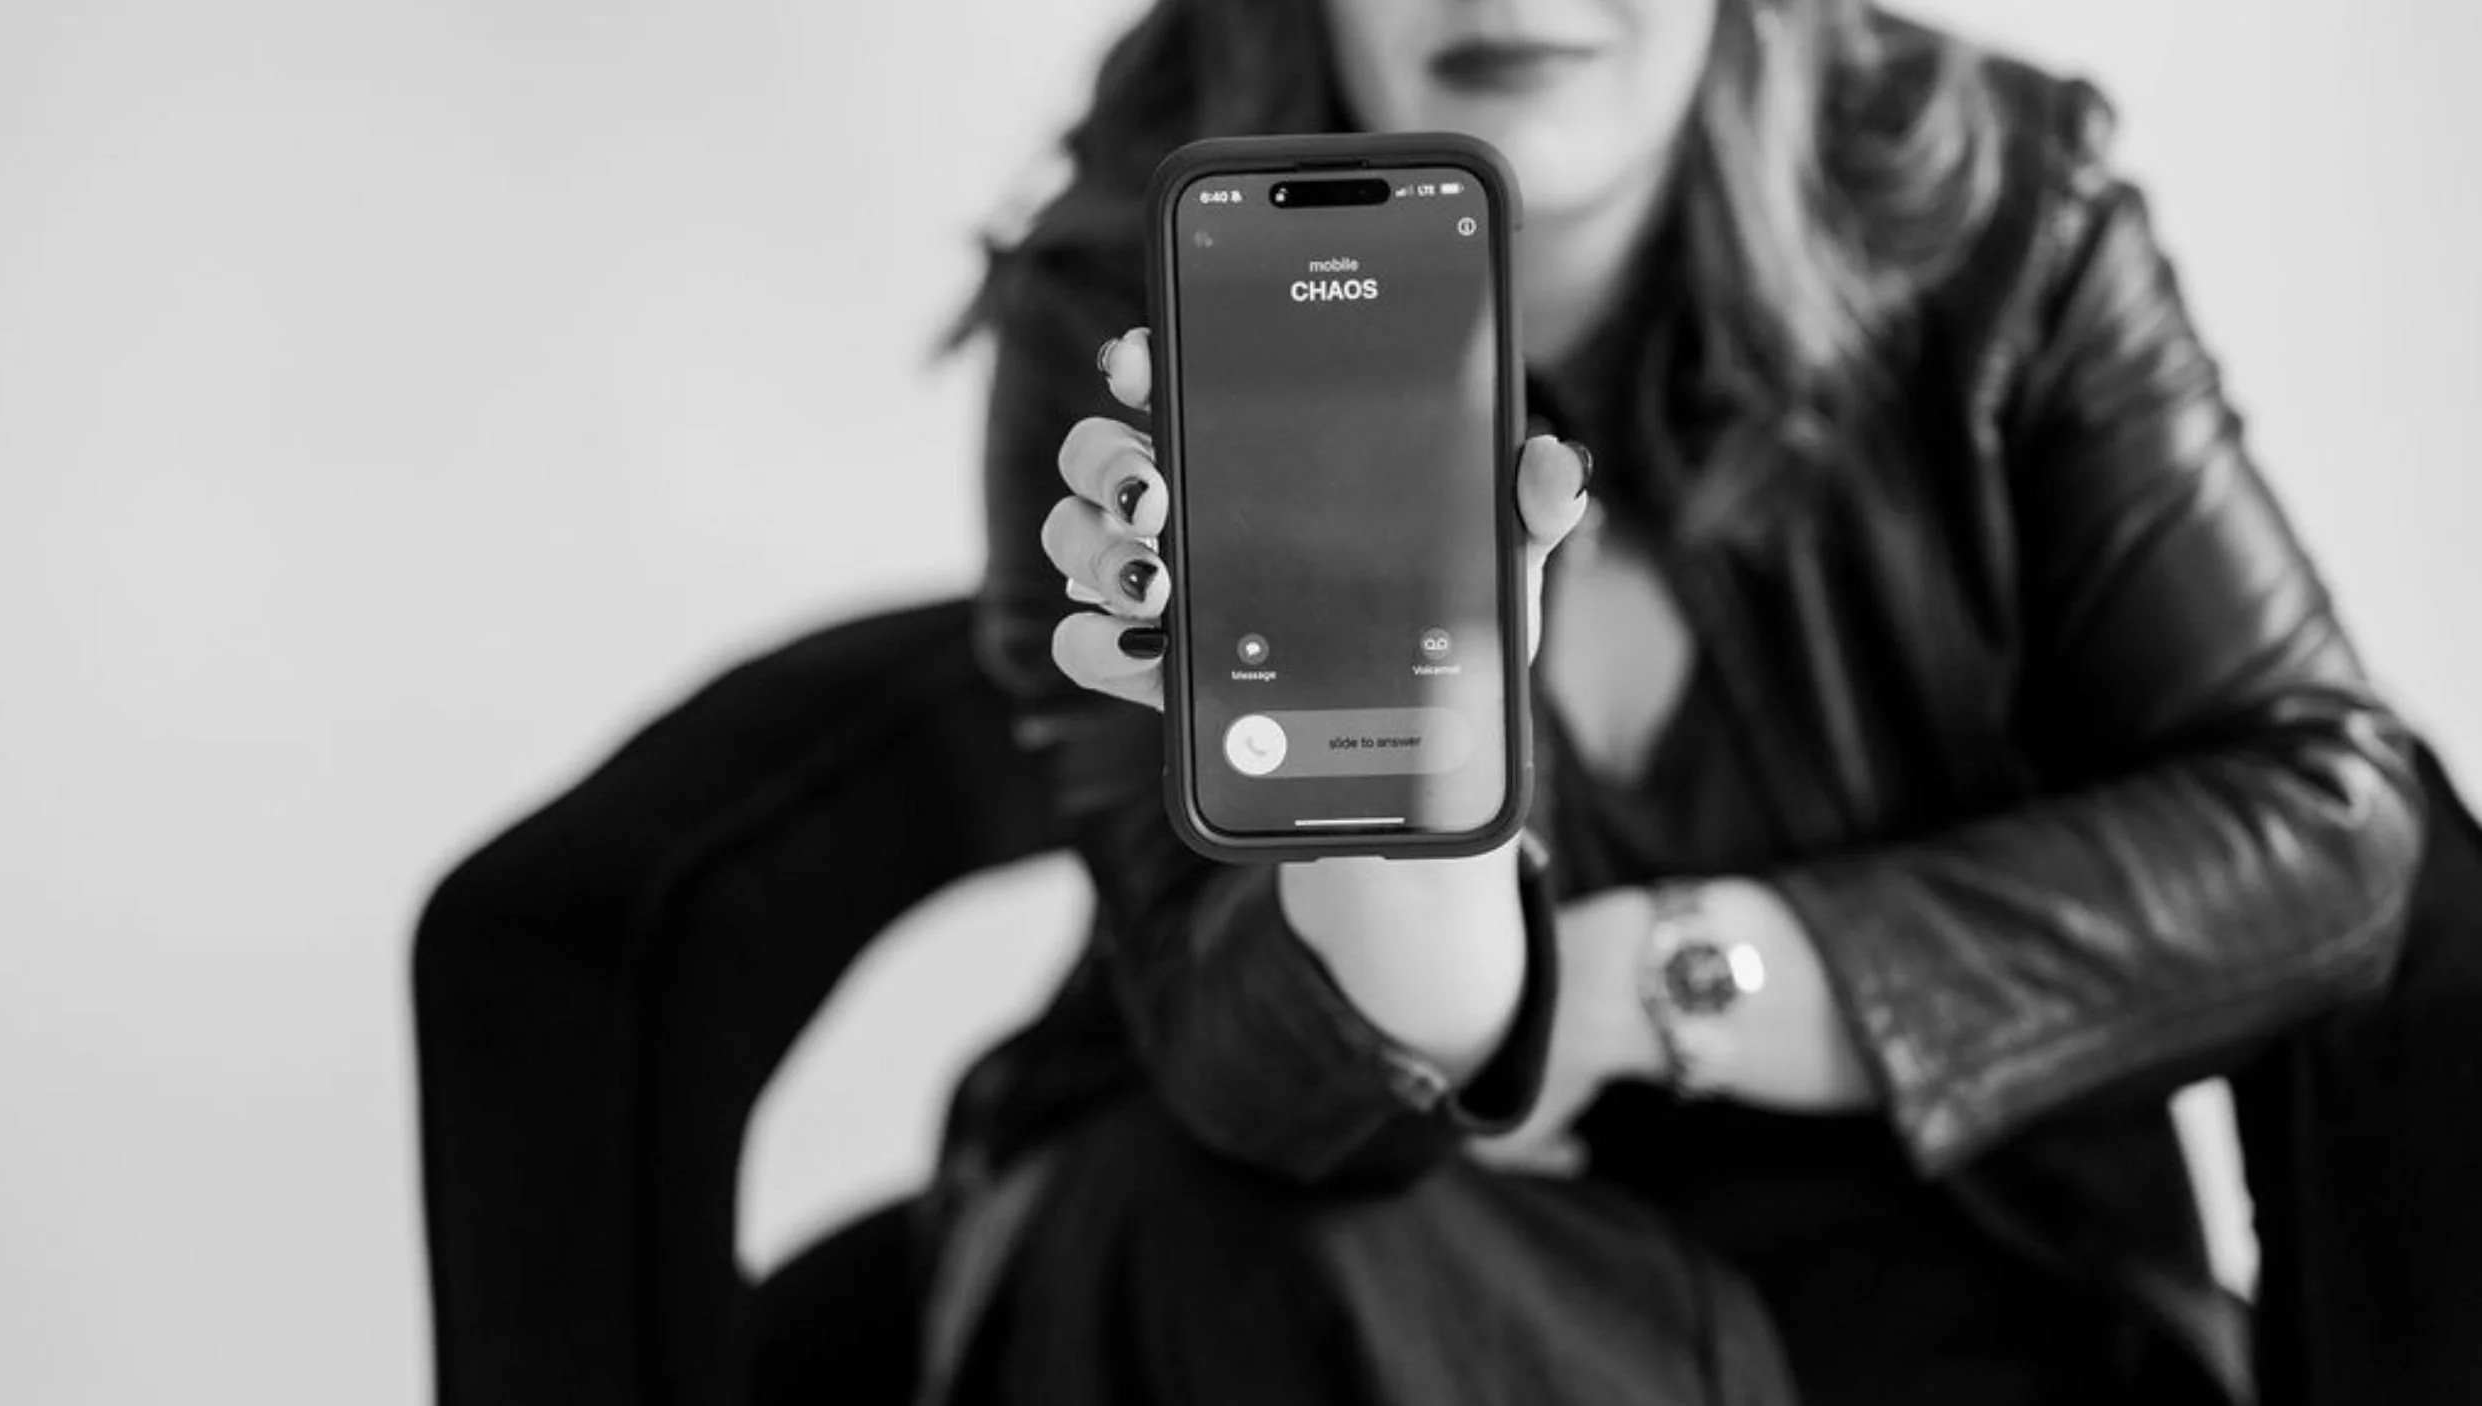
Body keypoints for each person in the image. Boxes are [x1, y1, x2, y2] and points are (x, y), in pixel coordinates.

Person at [934, 1, 2428, 1402]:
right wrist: (1416, 846)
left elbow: (2330, 817)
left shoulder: (2004, 214)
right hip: (1370, 1246)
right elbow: (1265, 1093)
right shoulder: (1135, 296)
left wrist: (1659, 982)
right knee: (1203, 1235)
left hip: (1951, 1238)